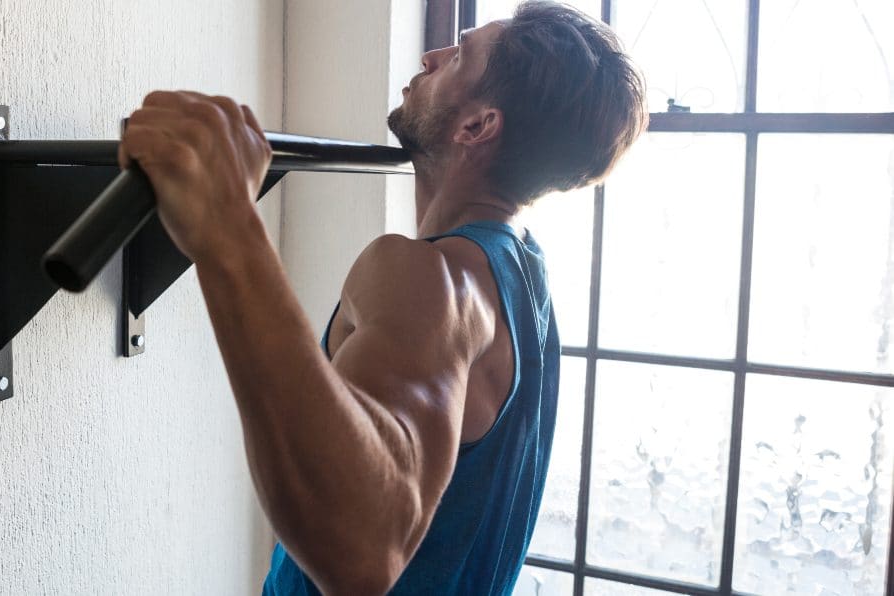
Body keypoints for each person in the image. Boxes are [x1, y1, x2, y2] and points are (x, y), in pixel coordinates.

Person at [118, 2, 647, 593]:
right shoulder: (525, 281)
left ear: (476, 127)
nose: (431, 55)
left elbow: (365, 550)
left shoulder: (428, 277)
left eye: (458, 58)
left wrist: (226, 224)